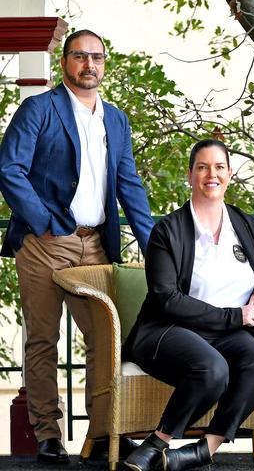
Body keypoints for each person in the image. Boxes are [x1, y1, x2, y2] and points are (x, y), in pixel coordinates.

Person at [0, 29, 154, 464]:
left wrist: (153, 246)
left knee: (107, 340)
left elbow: (129, 185)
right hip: (47, 244)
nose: (89, 64)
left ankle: (104, 433)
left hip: (97, 245)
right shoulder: (39, 109)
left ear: (105, 64)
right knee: (44, 341)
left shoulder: (115, 119)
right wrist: (45, 222)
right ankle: (48, 435)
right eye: (80, 56)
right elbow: (9, 169)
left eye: (97, 57)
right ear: (64, 63)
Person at [121, 138, 254, 471]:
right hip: (170, 330)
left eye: (219, 167)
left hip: (229, 333)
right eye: (202, 167)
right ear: (190, 176)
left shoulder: (242, 224)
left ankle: (205, 450)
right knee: (213, 368)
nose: (211, 174)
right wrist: (237, 315)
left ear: (229, 174)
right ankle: (157, 442)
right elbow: (166, 298)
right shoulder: (168, 230)